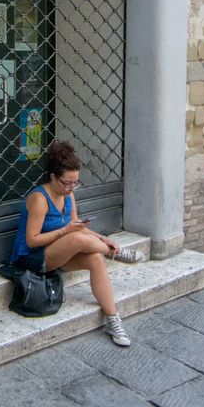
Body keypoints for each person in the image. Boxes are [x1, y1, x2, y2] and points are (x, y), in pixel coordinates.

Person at [10, 139, 143, 346]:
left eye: (75, 183)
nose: (71, 187)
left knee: (95, 259)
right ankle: (115, 253)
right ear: (53, 177)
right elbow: (32, 240)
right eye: (67, 183)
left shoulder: (69, 195)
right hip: (31, 258)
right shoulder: (39, 199)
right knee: (75, 238)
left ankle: (113, 319)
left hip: (58, 253)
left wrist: (102, 238)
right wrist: (65, 231)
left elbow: (77, 225)